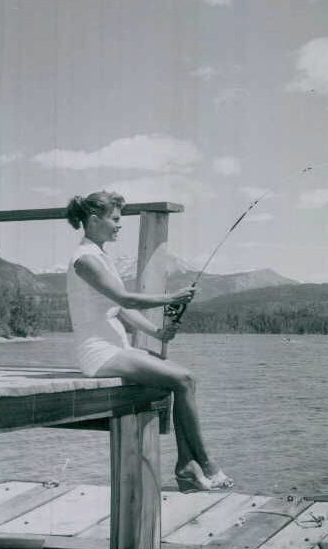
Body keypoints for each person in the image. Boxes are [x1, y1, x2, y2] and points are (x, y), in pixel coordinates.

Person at [65, 190, 233, 493]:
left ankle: (187, 466)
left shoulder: (100, 257)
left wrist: (157, 333)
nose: (119, 225)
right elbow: (125, 298)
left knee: (183, 382)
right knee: (184, 379)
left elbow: (119, 309)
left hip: (117, 349)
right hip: (99, 353)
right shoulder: (85, 260)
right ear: (94, 219)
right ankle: (206, 464)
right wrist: (172, 297)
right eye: (115, 219)